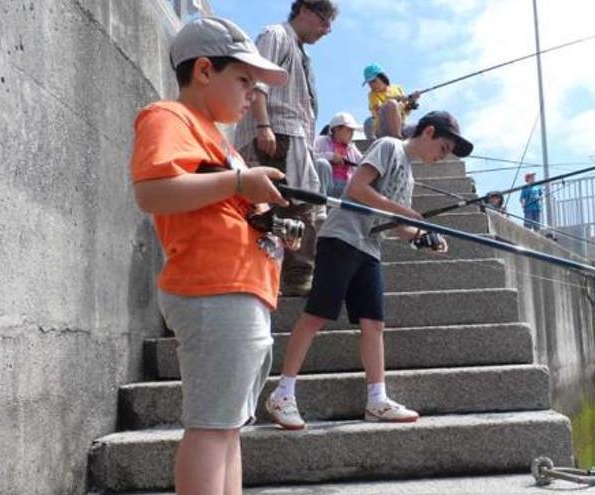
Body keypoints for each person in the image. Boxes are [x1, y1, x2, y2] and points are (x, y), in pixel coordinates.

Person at [130, 17, 290, 494]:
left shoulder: (221, 143)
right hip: (214, 290)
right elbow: (153, 191)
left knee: (228, 426)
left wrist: (269, 220)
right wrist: (240, 182)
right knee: (210, 426)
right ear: (203, 70)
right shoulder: (168, 116)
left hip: (242, 291)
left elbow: (222, 203)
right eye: (244, 80)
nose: (252, 95)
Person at [265, 111, 474, 430]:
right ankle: (282, 393)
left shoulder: (410, 175)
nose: (441, 156)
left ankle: (377, 400)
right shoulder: (389, 146)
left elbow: (401, 228)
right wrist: (405, 212)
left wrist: (424, 239)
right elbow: (358, 189)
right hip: (341, 238)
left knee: (373, 323)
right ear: (428, 132)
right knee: (317, 315)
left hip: (369, 248)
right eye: (443, 148)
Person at [234, 0, 338, 297]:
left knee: (295, 203)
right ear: (304, 10)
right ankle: (296, 275)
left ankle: (290, 273)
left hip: (292, 135)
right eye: (324, 19)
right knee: (291, 203)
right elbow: (258, 84)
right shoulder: (276, 35)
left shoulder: (300, 52)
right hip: (277, 132)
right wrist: (263, 126)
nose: (326, 29)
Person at [362, 63, 420, 139]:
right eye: (369, 83)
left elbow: (406, 112)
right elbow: (379, 110)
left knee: (425, 127)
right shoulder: (372, 95)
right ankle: (397, 140)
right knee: (392, 103)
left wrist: (412, 100)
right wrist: (397, 99)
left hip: (401, 127)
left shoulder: (398, 88)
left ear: (382, 77)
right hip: (383, 130)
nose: (371, 85)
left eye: (373, 81)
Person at [313, 112, 364, 197]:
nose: (352, 134)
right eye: (349, 130)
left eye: (352, 131)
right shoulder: (320, 141)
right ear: (337, 129)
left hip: (346, 187)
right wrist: (331, 157)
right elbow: (309, 157)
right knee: (321, 163)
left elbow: (363, 162)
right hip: (328, 184)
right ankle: (320, 203)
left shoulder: (352, 148)